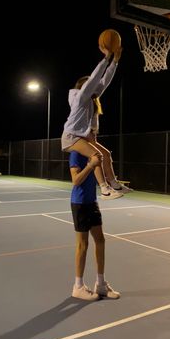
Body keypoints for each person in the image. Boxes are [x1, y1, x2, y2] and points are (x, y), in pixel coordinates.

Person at [61, 45, 124, 200]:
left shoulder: (90, 99)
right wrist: (106, 58)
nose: (97, 87)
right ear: (85, 87)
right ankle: (104, 190)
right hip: (71, 137)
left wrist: (115, 61)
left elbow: (104, 81)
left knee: (106, 154)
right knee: (96, 156)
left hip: (81, 136)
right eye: (91, 85)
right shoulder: (81, 99)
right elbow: (95, 79)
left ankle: (114, 184)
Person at [69, 150, 121, 301]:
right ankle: (78, 287)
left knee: (100, 240)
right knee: (82, 245)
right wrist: (90, 165)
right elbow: (75, 180)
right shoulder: (76, 154)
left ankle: (101, 284)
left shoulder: (94, 152)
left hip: (92, 203)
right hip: (79, 203)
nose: (95, 137)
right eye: (92, 134)